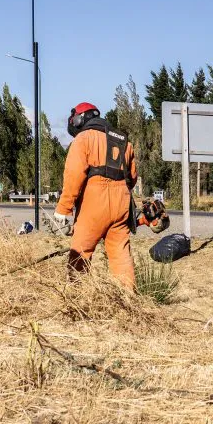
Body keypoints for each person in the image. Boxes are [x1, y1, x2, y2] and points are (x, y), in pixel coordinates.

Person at [53, 102, 139, 287]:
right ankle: (128, 299)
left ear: (79, 120)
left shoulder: (83, 138)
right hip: (121, 204)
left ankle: (78, 298)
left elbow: (74, 176)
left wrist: (63, 208)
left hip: (94, 203)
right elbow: (132, 178)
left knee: (80, 253)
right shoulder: (124, 141)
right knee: (120, 254)